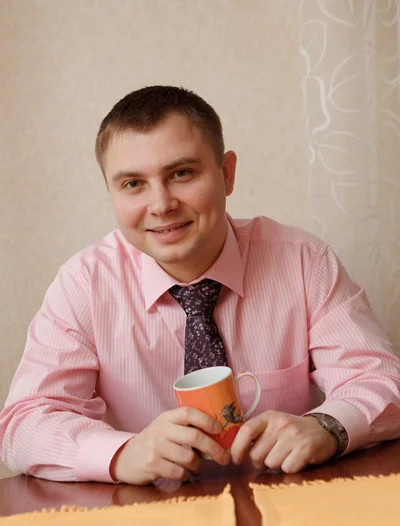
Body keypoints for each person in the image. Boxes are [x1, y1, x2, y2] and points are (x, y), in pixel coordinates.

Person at [1, 86, 400, 486]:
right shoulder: (84, 285)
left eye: (181, 174)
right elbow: (24, 422)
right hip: (147, 522)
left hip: (289, 505)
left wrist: (329, 426)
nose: (161, 205)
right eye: (133, 184)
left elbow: (381, 381)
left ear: (227, 174)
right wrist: (121, 453)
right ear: (111, 191)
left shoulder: (303, 262)